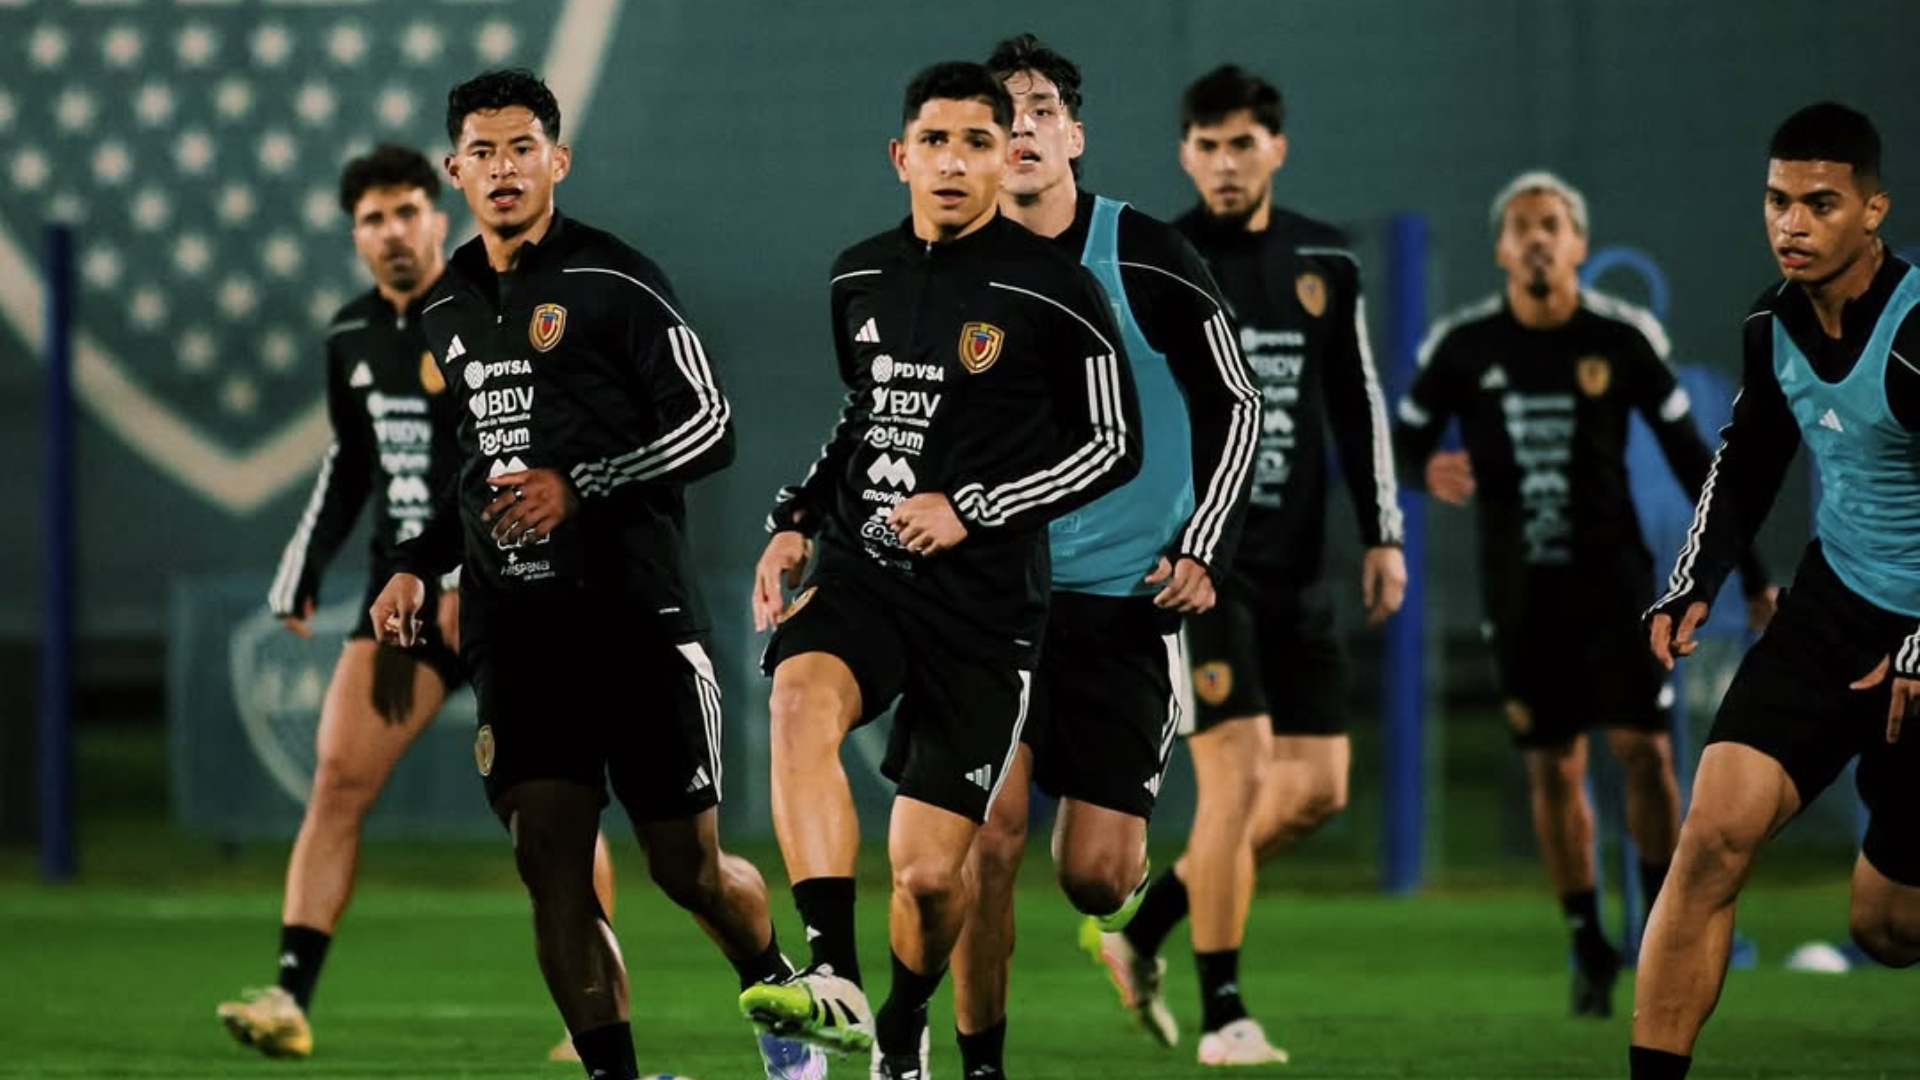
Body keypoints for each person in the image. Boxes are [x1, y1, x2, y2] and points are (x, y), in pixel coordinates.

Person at [367, 69, 820, 1080]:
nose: (503, 169)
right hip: (515, 627)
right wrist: (413, 564)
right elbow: (473, 472)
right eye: (482, 152)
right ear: (454, 171)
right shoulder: (446, 307)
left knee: (686, 869)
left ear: (558, 161)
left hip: (633, 614)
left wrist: (585, 483)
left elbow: (712, 426)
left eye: (522, 148)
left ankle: (777, 989)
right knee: (550, 859)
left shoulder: (618, 280)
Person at [737, 60, 1141, 1080]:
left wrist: (975, 507)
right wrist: (795, 519)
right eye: (935, 142)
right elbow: (865, 418)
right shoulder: (857, 276)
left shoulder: (1059, 289)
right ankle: (831, 973)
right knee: (797, 698)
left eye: (976, 142)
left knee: (926, 881)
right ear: (900, 156)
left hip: (985, 611)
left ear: (1008, 156)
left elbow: (1114, 444)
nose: (954, 162)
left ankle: (903, 1021)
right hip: (867, 574)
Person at [217, 144, 618, 1064]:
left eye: (407, 211)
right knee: (337, 782)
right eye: (373, 219)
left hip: (510, 592)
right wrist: (303, 568)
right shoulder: (351, 336)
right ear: (355, 236)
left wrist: (462, 574)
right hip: (398, 602)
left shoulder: (483, 314)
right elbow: (350, 462)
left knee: (549, 809)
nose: (393, 232)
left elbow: (519, 454)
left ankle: (591, 1011)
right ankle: (288, 996)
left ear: (438, 216)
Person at [944, 35, 1261, 1080]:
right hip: (998, 597)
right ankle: (977, 1064)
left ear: (1073, 135)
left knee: (1094, 875)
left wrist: (1204, 547)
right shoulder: (951, 266)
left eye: (1040, 109)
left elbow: (1237, 401)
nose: (1022, 129)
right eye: (1000, 116)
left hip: (1126, 603)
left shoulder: (1146, 253)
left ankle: (1122, 910)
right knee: (986, 842)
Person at [1392, 169, 1774, 1019]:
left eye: (1552, 225)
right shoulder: (1462, 347)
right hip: (1520, 596)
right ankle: (1586, 942)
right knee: (1554, 765)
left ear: (1578, 247)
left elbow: (1694, 459)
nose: (1537, 238)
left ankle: (1660, 929)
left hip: (1616, 589)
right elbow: (1400, 441)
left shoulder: (1622, 338)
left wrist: (1747, 574)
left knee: (1645, 754)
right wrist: (1424, 468)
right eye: (1522, 226)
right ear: (1501, 249)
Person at [1091, 64, 1404, 1064]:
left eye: (1242, 144)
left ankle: (1143, 931)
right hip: (1201, 567)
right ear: (1185, 154)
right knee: (1237, 778)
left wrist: (1385, 532)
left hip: (1300, 566)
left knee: (1317, 790)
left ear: (1277, 148)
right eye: (1208, 145)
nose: (1225, 163)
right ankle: (1225, 1012)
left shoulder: (1325, 258)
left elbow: (1355, 400)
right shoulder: (1161, 258)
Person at [1631, 101, 1920, 1080]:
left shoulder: (1916, 336)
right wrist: (1694, 580)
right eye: (1777, 200)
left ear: (1873, 210)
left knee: (1888, 929)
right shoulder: (1774, 323)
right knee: (1710, 839)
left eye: (1820, 203)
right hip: (1830, 614)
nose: (1791, 223)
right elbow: (1749, 457)